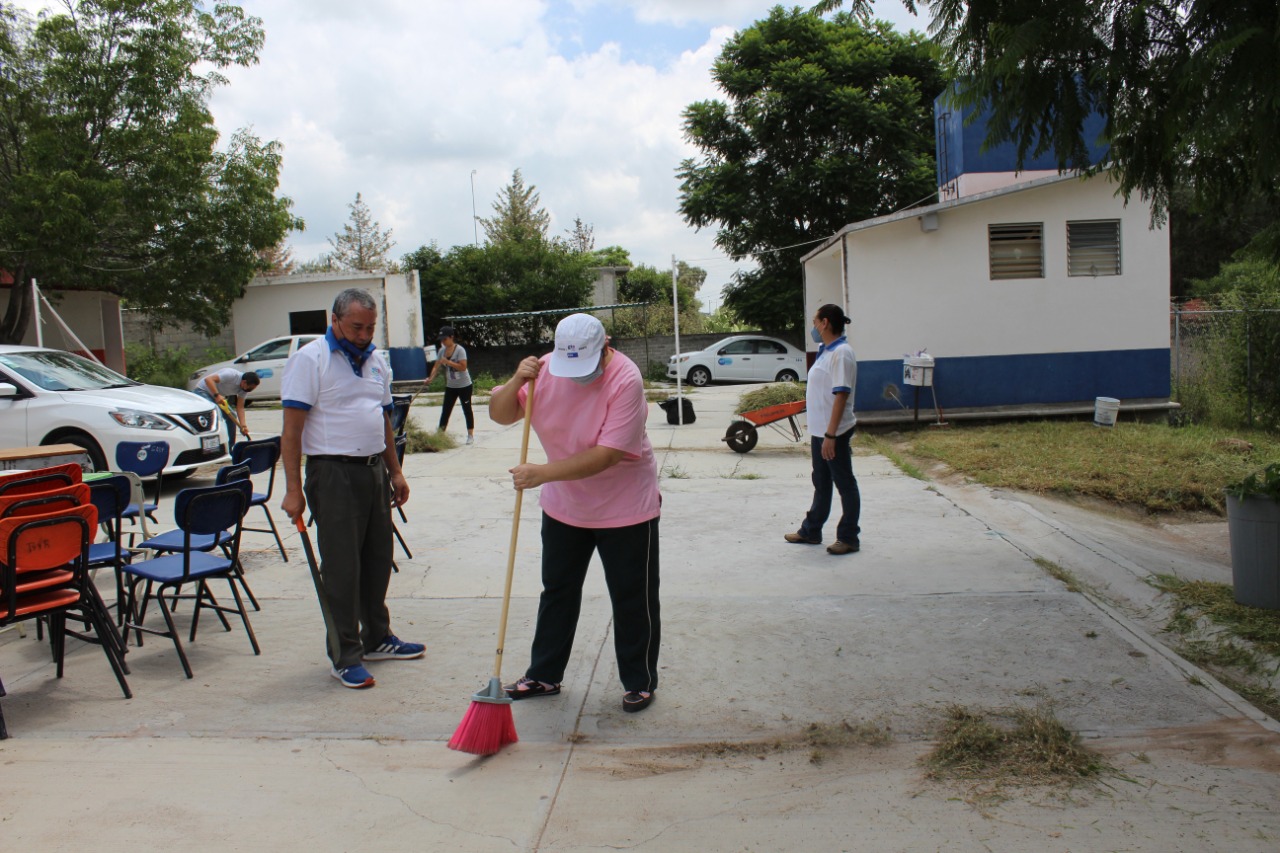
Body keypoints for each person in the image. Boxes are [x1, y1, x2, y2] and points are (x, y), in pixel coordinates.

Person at [489, 313, 662, 713]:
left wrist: (542, 473)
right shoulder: (547, 370)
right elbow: (500, 414)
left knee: (632, 597)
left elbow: (609, 454)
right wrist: (517, 379)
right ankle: (544, 675)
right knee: (558, 591)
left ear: (606, 347)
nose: (578, 376)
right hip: (565, 506)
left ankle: (640, 680)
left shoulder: (626, 379)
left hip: (625, 507)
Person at [279, 288, 423, 689]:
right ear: (336, 319)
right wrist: (294, 489)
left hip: (373, 469)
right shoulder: (311, 360)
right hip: (333, 474)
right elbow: (291, 432)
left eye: (371, 327)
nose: (364, 334)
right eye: (357, 326)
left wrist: (395, 472)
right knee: (342, 568)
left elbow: (383, 420)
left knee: (378, 559)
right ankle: (344, 654)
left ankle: (377, 637)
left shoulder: (376, 361)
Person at [785, 303, 862, 555]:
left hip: (834, 432)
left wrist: (831, 435)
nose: (814, 327)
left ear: (825, 323)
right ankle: (811, 530)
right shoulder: (826, 351)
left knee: (844, 483)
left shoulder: (842, 353)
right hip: (821, 432)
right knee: (821, 481)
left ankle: (849, 537)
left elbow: (840, 396)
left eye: (815, 322)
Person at [428, 325, 475, 445]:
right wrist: (430, 378)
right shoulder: (441, 351)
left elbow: (463, 367)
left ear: (451, 337)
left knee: (467, 409)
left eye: (445, 339)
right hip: (451, 386)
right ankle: (440, 435)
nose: (443, 342)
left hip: (464, 385)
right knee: (446, 410)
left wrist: (448, 362)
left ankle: (470, 435)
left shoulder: (460, 350)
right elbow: (436, 366)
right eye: (441, 340)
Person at [193, 368, 260, 450]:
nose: (249, 390)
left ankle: (229, 448)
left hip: (216, 396)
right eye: (249, 388)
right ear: (244, 382)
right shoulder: (230, 374)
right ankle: (211, 448)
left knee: (232, 417)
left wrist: (243, 425)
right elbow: (208, 379)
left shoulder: (244, 389)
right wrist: (217, 395)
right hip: (202, 391)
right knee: (215, 414)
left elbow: (240, 407)